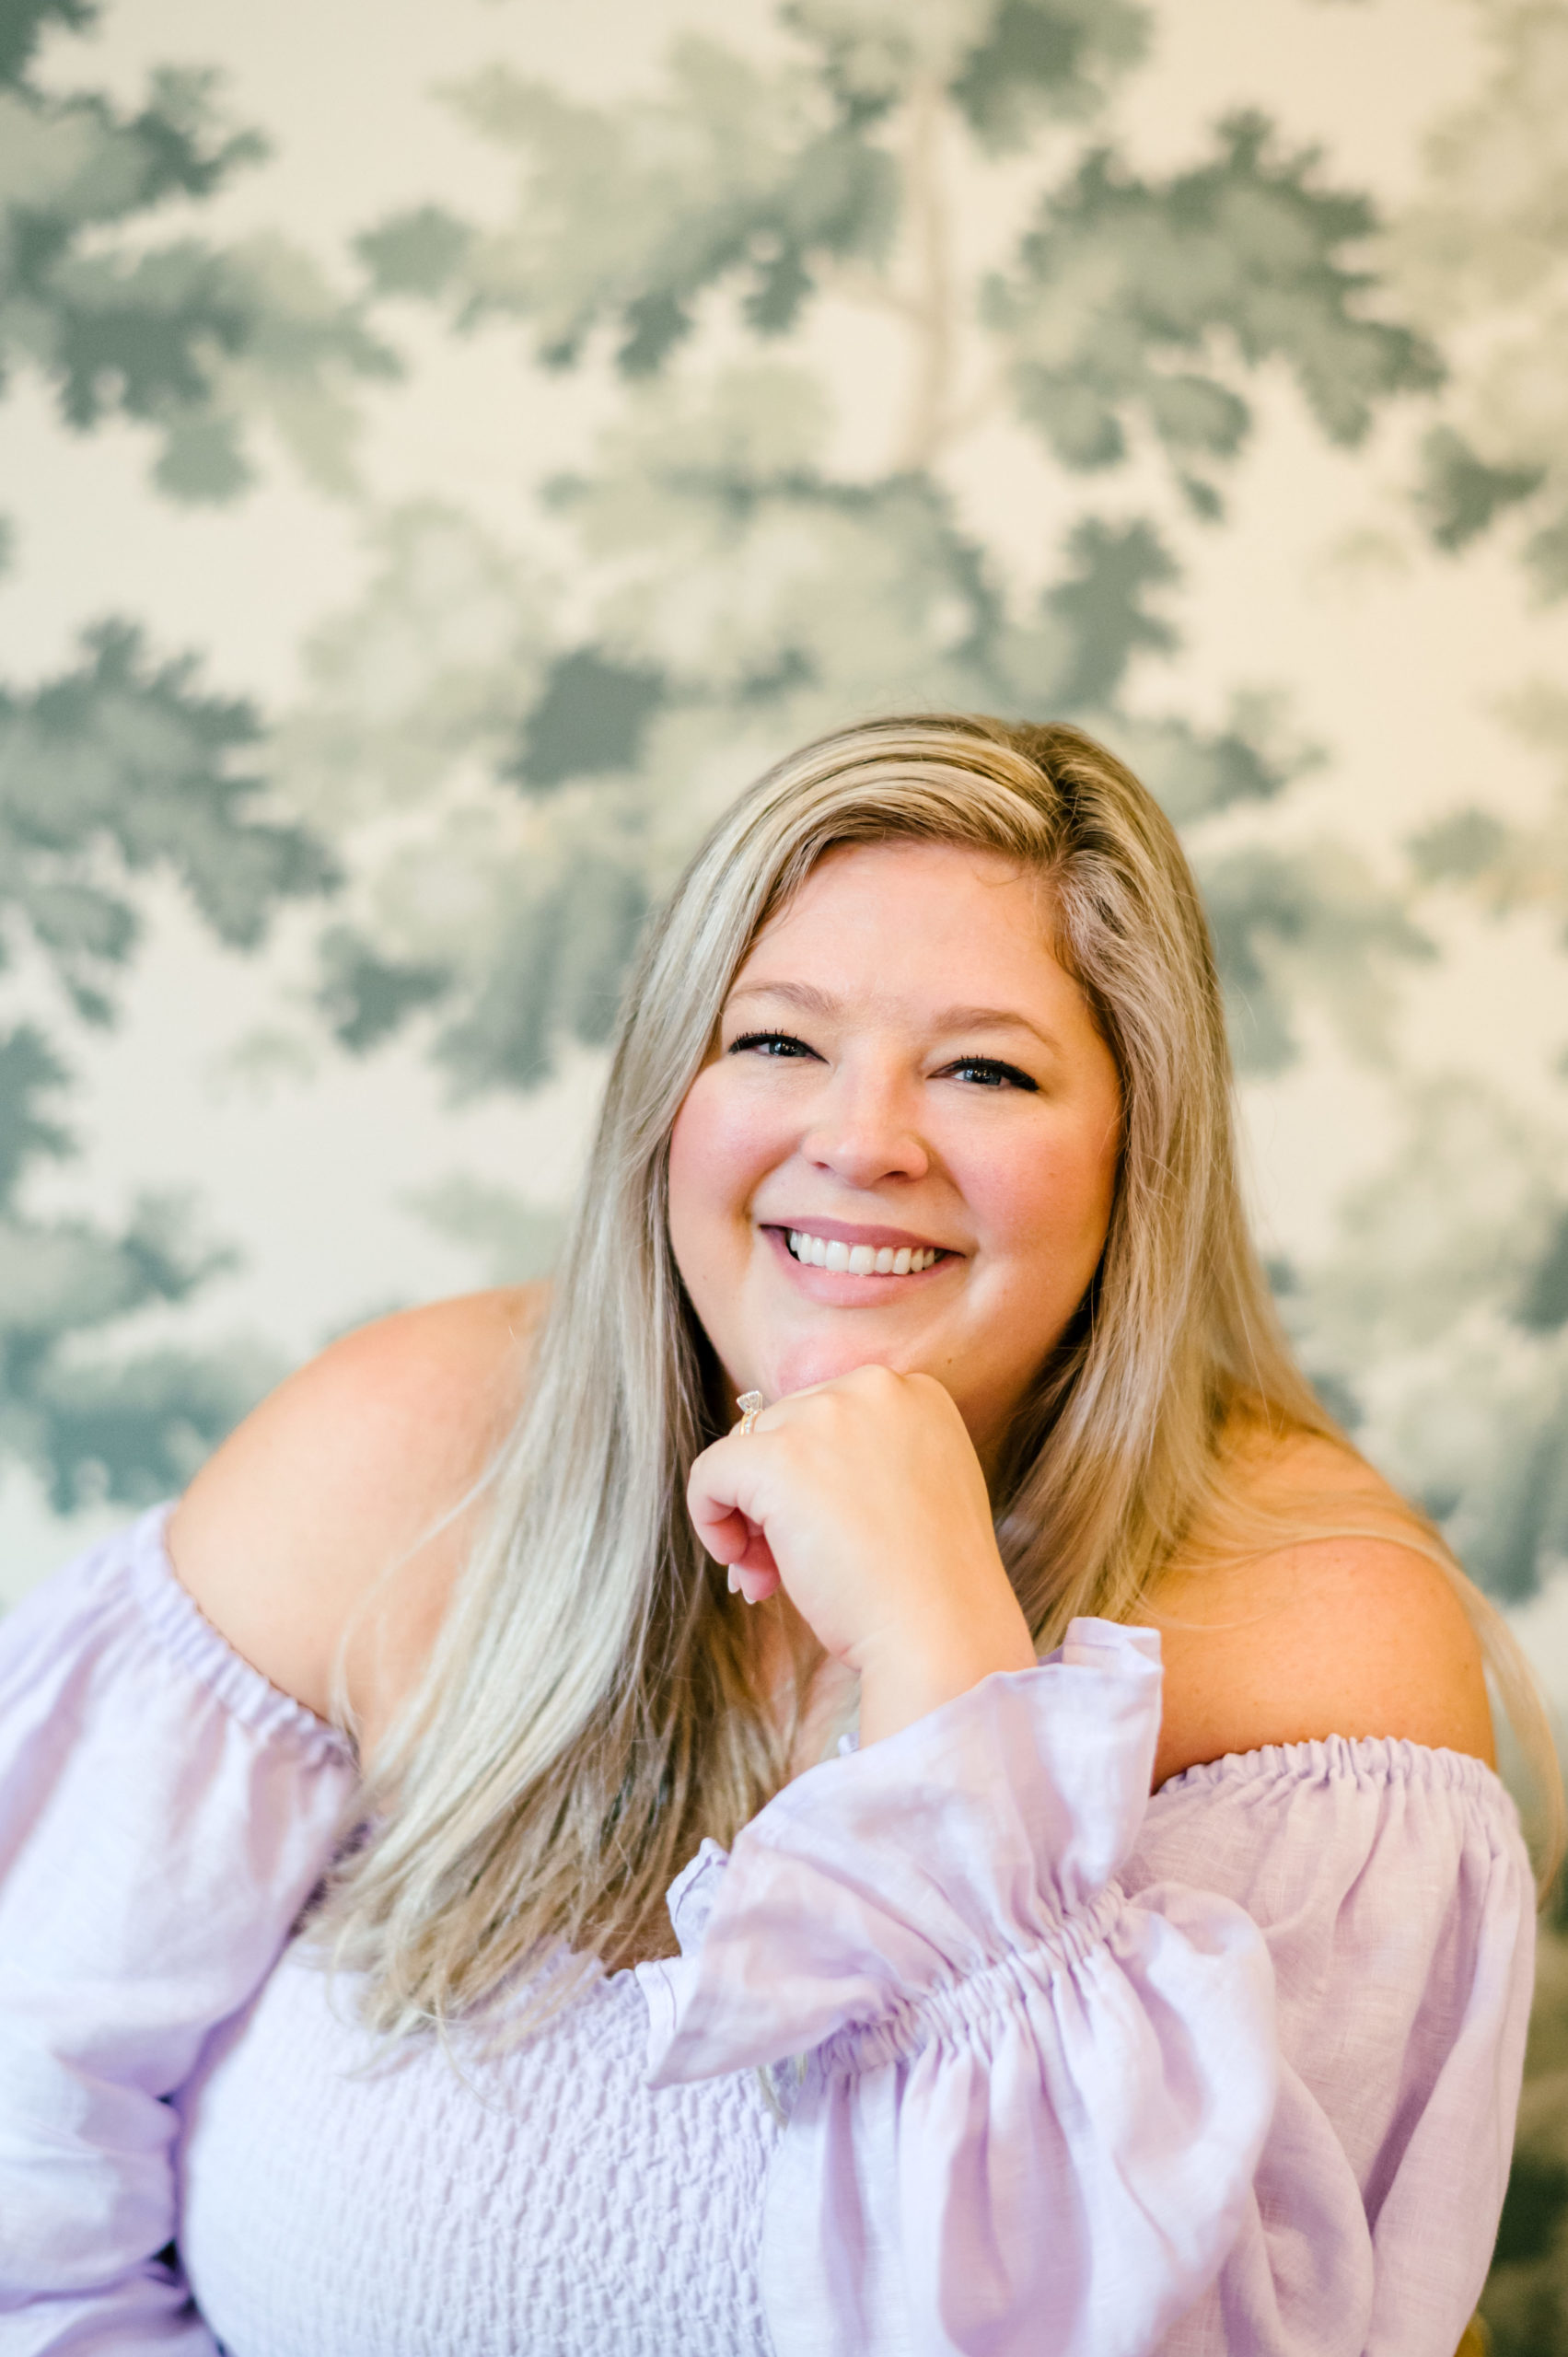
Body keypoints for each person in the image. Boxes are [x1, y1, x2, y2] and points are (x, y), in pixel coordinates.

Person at [0, 715, 1553, 2357]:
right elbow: (34, 2152)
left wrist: (946, 1662)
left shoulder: (1320, 1647)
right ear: (669, 1094)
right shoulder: (402, 1453)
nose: (862, 1138)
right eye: (776, 1044)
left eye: (985, 1069)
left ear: (1136, 1155)